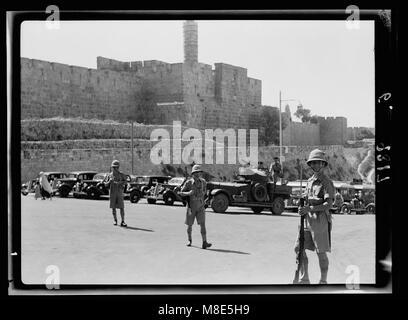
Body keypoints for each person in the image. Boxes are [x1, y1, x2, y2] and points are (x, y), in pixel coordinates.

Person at [294, 149, 334, 284]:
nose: (316, 165)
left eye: (319, 163)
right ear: (310, 165)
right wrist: (301, 202)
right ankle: (305, 278)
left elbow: (328, 204)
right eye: (313, 163)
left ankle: (323, 281)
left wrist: (310, 208)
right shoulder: (310, 181)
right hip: (306, 220)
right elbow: (306, 197)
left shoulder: (326, 182)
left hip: (320, 220)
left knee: (320, 252)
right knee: (298, 248)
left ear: (323, 164)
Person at [178, 164, 212, 249]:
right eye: (196, 173)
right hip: (191, 207)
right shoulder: (188, 182)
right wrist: (189, 193)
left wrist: (206, 198)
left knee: (203, 224)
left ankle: (204, 242)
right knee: (190, 225)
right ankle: (189, 240)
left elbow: (205, 192)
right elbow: (180, 193)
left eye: (199, 173)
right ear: (192, 174)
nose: (197, 174)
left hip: (200, 206)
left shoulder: (203, 182)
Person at [104, 160, 128, 227]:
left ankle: (123, 221)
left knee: (121, 207)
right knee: (113, 207)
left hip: (119, 192)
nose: (115, 169)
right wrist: (109, 181)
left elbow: (126, 182)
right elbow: (105, 184)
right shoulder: (109, 175)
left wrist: (120, 183)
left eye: (116, 167)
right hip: (112, 192)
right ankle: (115, 220)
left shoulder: (121, 175)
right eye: (114, 167)